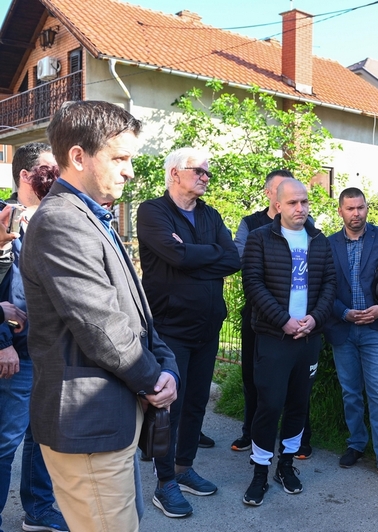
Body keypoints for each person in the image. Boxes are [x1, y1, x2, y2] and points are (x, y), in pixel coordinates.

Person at [19, 100, 179, 532]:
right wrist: (154, 380)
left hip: (110, 418)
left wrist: (165, 364)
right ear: (78, 156)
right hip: (88, 427)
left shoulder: (89, 214)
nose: (130, 171)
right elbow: (100, 326)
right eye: (120, 158)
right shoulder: (62, 221)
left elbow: (135, 311)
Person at [137, 147, 240, 518]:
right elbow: (175, 256)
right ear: (175, 173)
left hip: (208, 326)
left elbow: (233, 258)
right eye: (198, 171)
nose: (205, 177)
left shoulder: (210, 214)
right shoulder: (152, 211)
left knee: (197, 401)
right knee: (170, 406)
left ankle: (184, 468)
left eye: (208, 172)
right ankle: (164, 482)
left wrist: (192, 255)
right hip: (171, 328)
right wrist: (207, 254)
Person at [241, 179, 335, 505]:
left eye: (304, 202)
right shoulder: (259, 238)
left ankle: (286, 465)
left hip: (308, 338)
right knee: (269, 405)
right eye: (293, 202)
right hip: (273, 337)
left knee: (298, 404)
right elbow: (253, 284)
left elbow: (330, 284)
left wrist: (315, 319)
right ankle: (259, 472)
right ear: (278, 205)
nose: (300, 208)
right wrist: (284, 320)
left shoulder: (319, 240)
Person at [0, 144, 68, 532]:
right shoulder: (2, 218)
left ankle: (38, 510)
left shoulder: (54, 219)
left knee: (42, 438)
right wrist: (1, 343)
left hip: (50, 351)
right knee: (5, 442)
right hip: (16, 352)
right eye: (49, 169)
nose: (57, 176)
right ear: (26, 176)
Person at [325, 187, 378, 485]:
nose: (356, 213)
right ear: (340, 211)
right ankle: (357, 443)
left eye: (360, 207)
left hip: (375, 329)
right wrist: (343, 313)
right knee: (350, 392)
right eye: (350, 208)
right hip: (343, 328)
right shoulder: (329, 244)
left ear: (366, 208)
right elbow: (322, 286)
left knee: (377, 392)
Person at [230, 169, 297, 454]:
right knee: (252, 376)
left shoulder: (303, 224)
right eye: (281, 189)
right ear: (270, 193)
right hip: (257, 314)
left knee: (295, 380)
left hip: (294, 316)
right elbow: (240, 257)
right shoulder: (250, 223)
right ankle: (250, 432)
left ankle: (296, 437)